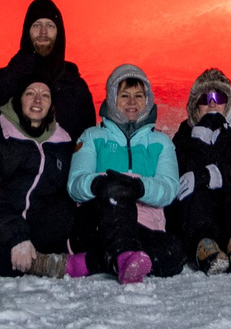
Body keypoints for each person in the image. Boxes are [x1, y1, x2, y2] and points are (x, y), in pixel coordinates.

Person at [68, 64, 184, 282]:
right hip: (97, 224)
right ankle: (124, 256)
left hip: (146, 227)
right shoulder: (92, 137)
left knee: (174, 253)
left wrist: (138, 187)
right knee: (113, 190)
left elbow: (169, 188)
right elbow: (75, 185)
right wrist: (101, 185)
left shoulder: (161, 142)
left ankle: (92, 262)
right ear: (112, 99)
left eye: (139, 95)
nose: (132, 102)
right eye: (124, 95)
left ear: (148, 100)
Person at [0, 72, 78, 278]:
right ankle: (34, 263)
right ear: (18, 101)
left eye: (45, 95)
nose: (37, 100)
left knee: (66, 211)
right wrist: (15, 235)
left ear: (51, 105)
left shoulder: (62, 147)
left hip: (37, 228)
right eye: (30, 93)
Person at [169, 66, 231, 272]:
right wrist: (200, 143)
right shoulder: (185, 137)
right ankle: (205, 247)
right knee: (190, 192)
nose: (212, 103)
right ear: (195, 106)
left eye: (218, 97)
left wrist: (212, 175)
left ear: (228, 104)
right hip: (203, 219)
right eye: (205, 99)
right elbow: (178, 173)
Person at [0, 0, 98, 151]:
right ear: (27, 31)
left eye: (50, 26)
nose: (43, 32)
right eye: (37, 25)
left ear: (59, 33)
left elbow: (86, 147)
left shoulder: (76, 88)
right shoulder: (3, 82)